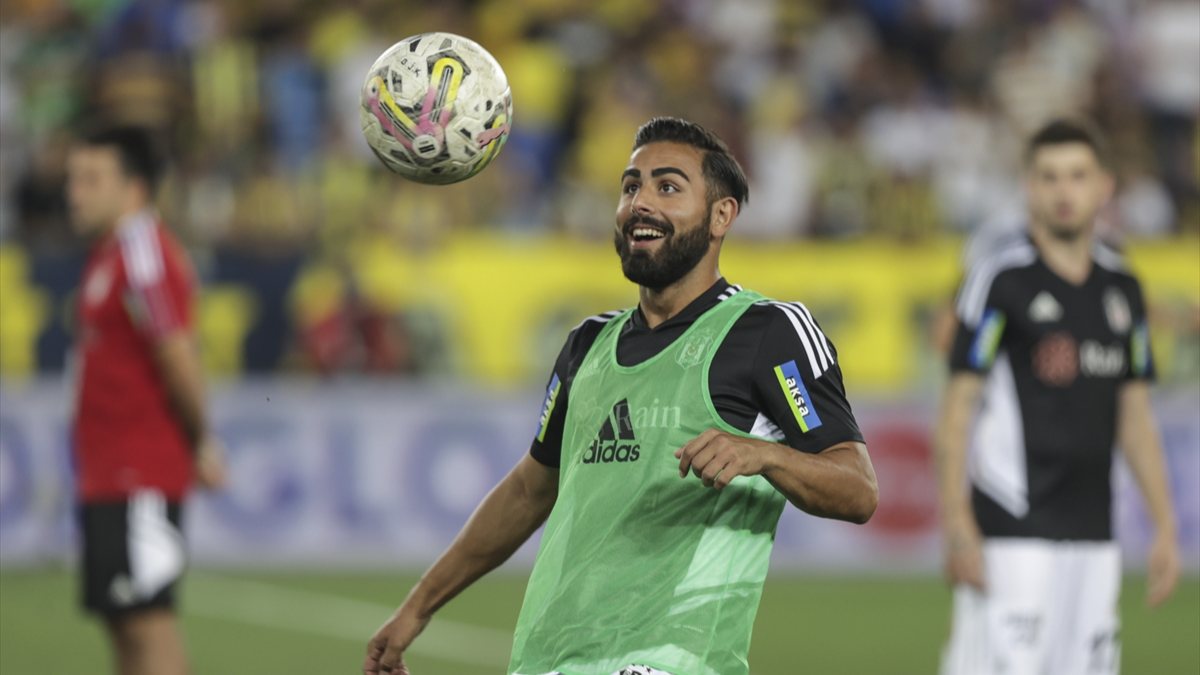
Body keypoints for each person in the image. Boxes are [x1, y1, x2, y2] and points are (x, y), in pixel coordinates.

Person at [364, 117, 879, 675]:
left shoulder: (766, 332)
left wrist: (766, 455)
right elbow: (528, 491)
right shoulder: (587, 345)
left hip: (672, 661)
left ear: (721, 215)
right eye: (631, 186)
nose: (641, 203)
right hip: (548, 660)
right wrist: (417, 608)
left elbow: (857, 489)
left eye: (668, 186)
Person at [935, 118, 1181, 675]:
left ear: (1104, 187)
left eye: (1077, 175)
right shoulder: (1000, 281)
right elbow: (956, 411)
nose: (1063, 191)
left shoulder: (1123, 290)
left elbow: (1136, 419)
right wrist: (957, 525)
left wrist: (1165, 526)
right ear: (1029, 187)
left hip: (1096, 533)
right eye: (1049, 177)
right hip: (1011, 529)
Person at [67, 125, 227, 675]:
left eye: (91, 179)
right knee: (124, 625)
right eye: (73, 179)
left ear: (133, 188)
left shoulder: (141, 252)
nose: (74, 193)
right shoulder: (110, 253)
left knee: (147, 625)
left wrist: (201, 441)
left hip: (138, 473)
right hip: (109, 474)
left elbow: (176, 352)